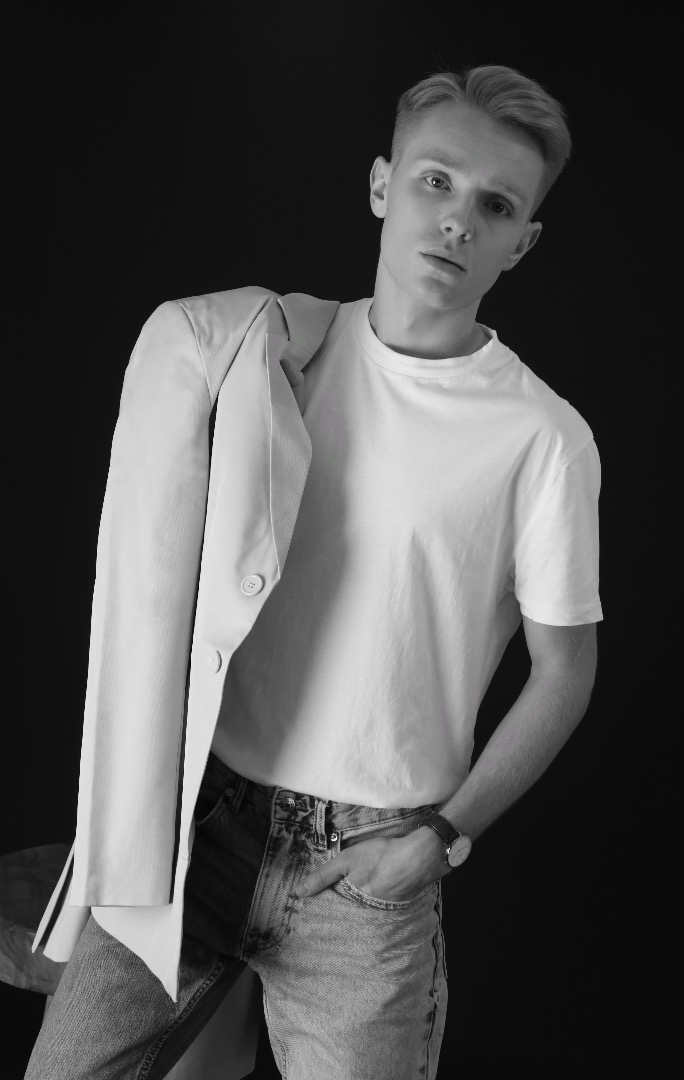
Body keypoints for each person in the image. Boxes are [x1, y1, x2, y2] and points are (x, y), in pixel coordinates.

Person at [25, 62, 602, 1080]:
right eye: (436, 181)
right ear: (382, 185)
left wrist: (442, 837)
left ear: (523, 241)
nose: (458, 219)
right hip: (199, 825)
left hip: (367, 874)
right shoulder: (264, 358)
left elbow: (566, 670)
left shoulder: (542, 437)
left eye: (496, 205)